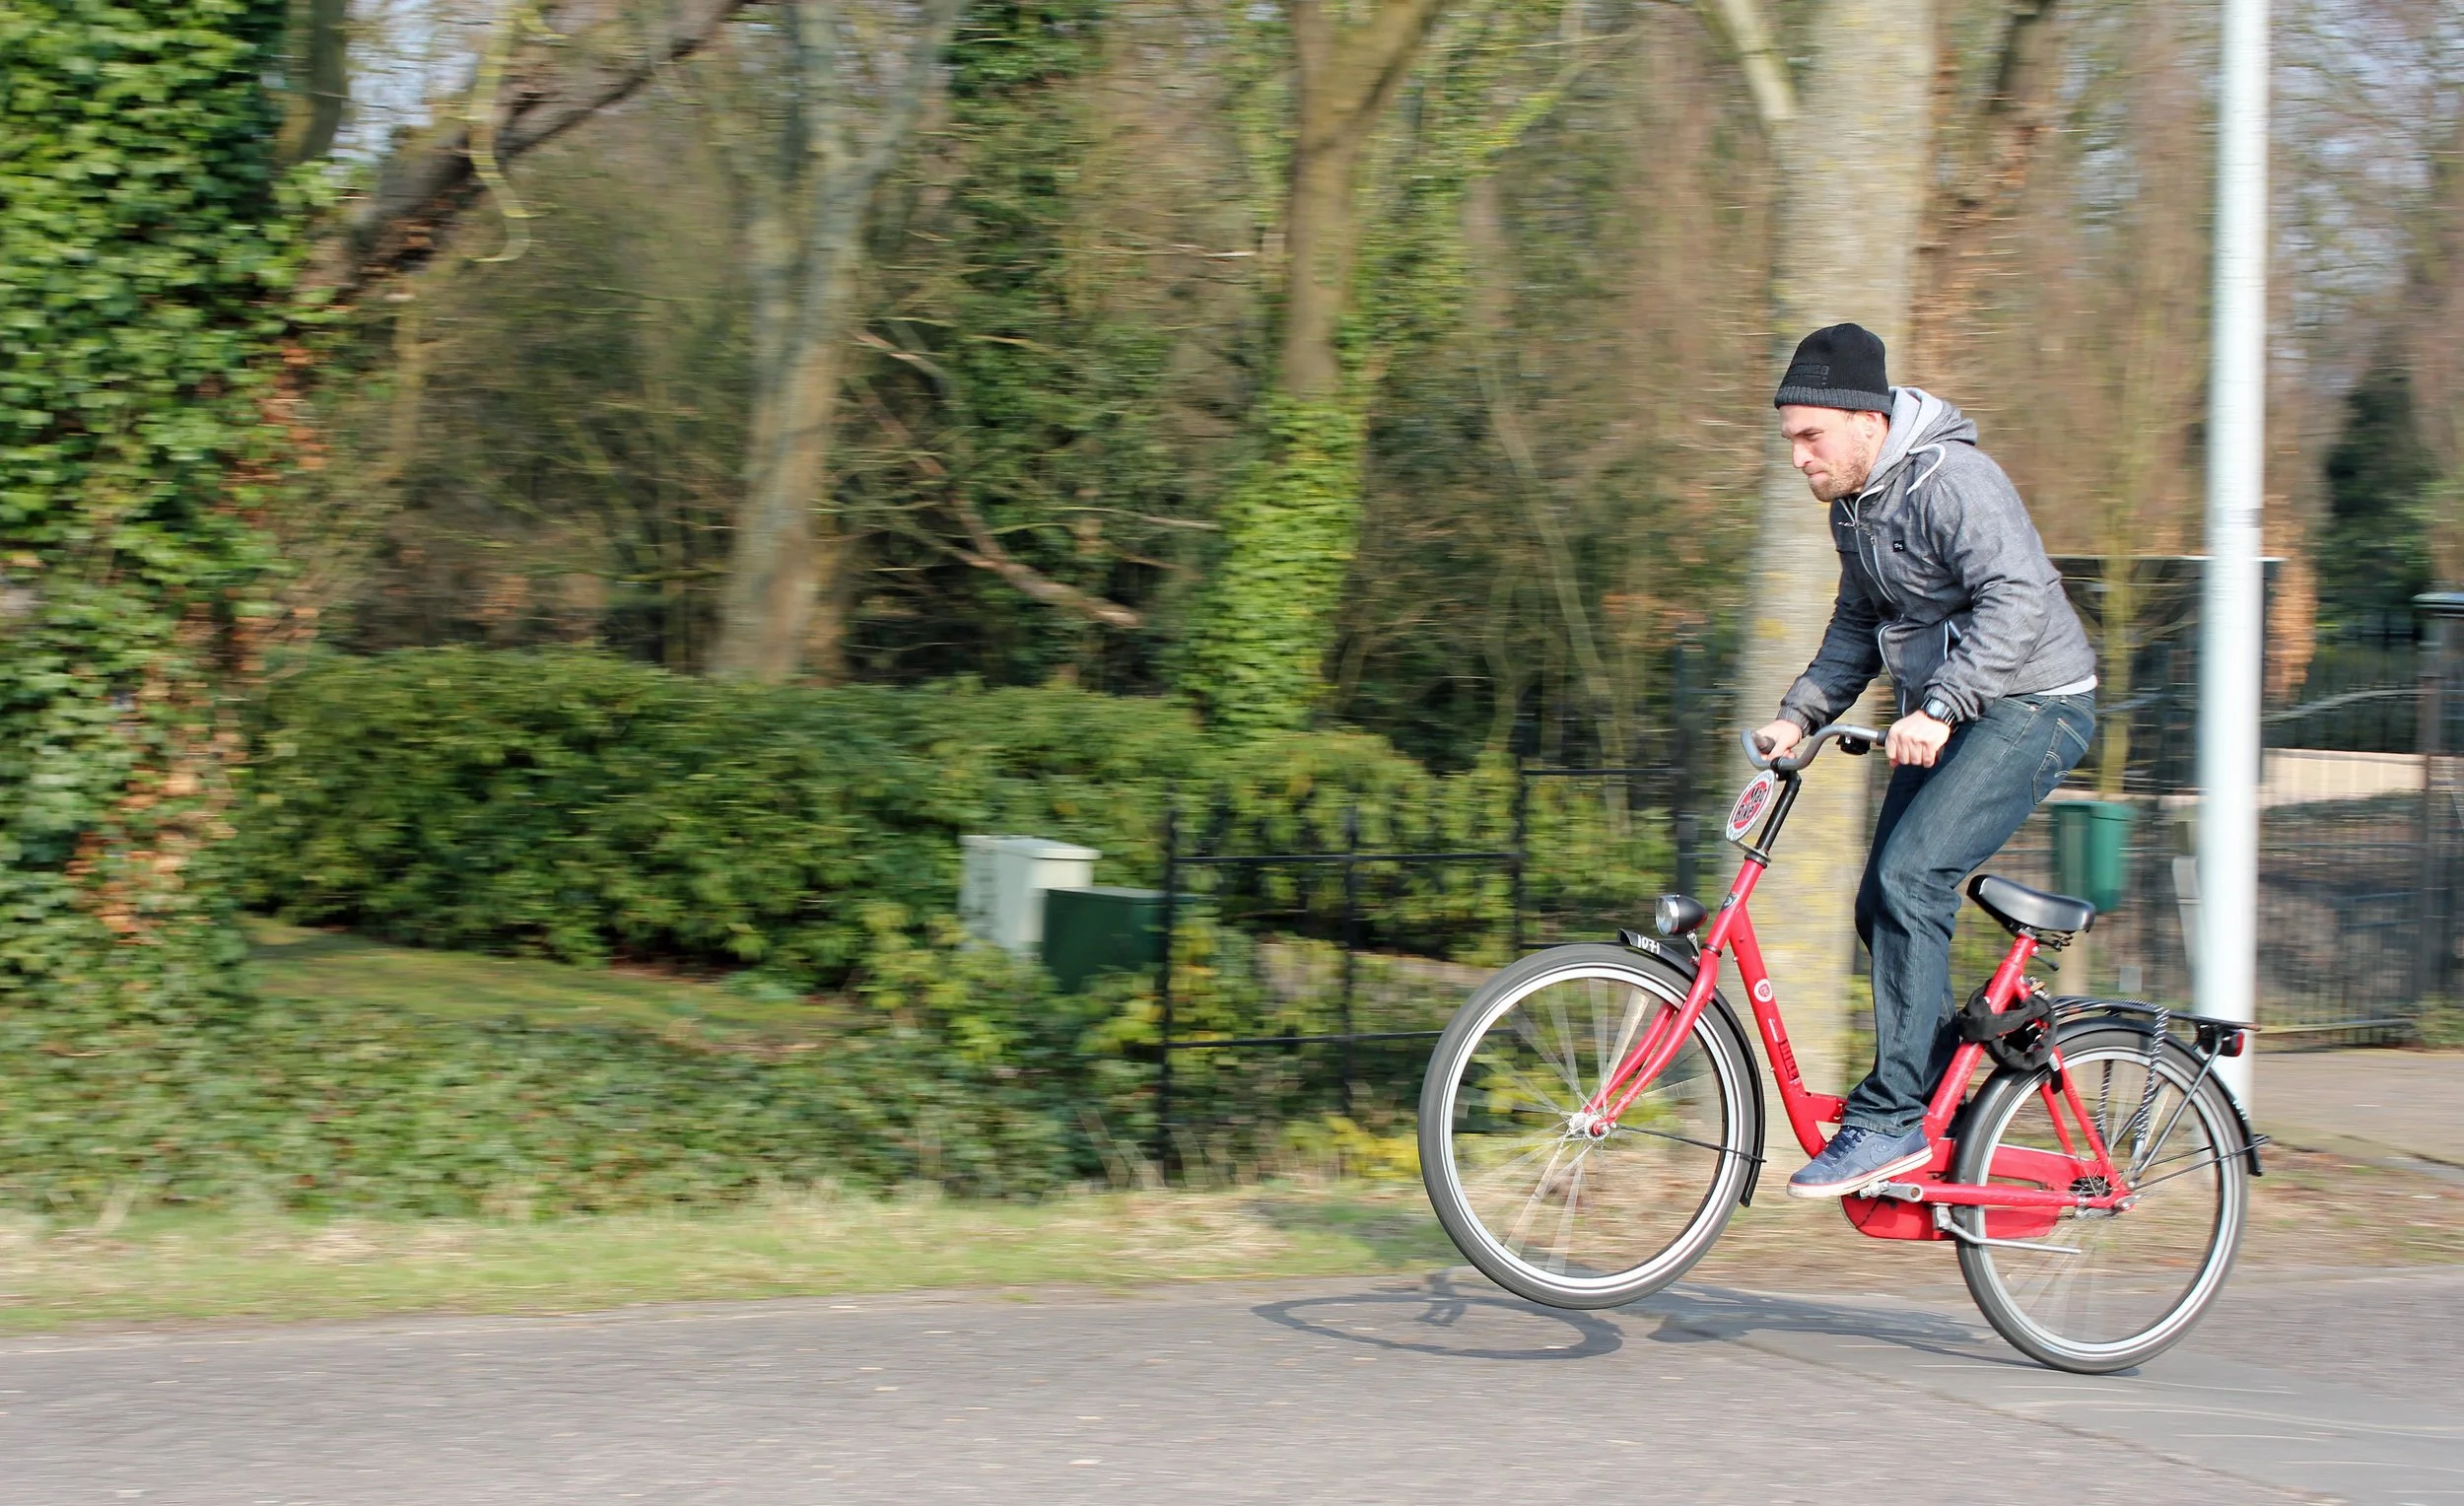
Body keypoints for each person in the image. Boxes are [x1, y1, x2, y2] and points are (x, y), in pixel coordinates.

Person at [1751, 322, 2099, 1198]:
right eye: (1788, 438)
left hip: (2033, 705)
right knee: (1880, 898)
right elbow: (1857, 627)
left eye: (1809, 437)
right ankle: (1939, 1091)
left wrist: (1941, 706)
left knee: (1911, 879)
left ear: (1865, 421)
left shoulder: (1954, 482)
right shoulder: (1856, 509)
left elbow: (2016, 597)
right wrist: (1800, 715)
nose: (1797, 457)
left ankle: (1892, 1119)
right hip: (1953, 713)